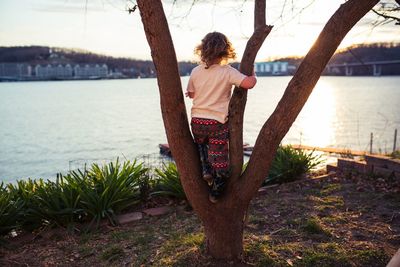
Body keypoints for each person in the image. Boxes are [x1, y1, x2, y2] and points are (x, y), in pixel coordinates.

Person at [185, 31, 257, 203]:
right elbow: (248, 84)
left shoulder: (196, 71)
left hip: (197, 121)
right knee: (220, 160)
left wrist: (193, 93)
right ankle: (216, 192)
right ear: (225, 51)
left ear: (202, 50)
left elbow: (192, 93)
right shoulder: (227, 72)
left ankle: (206, 170)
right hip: (216, 123)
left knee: (201, 145)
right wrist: (253, 75)